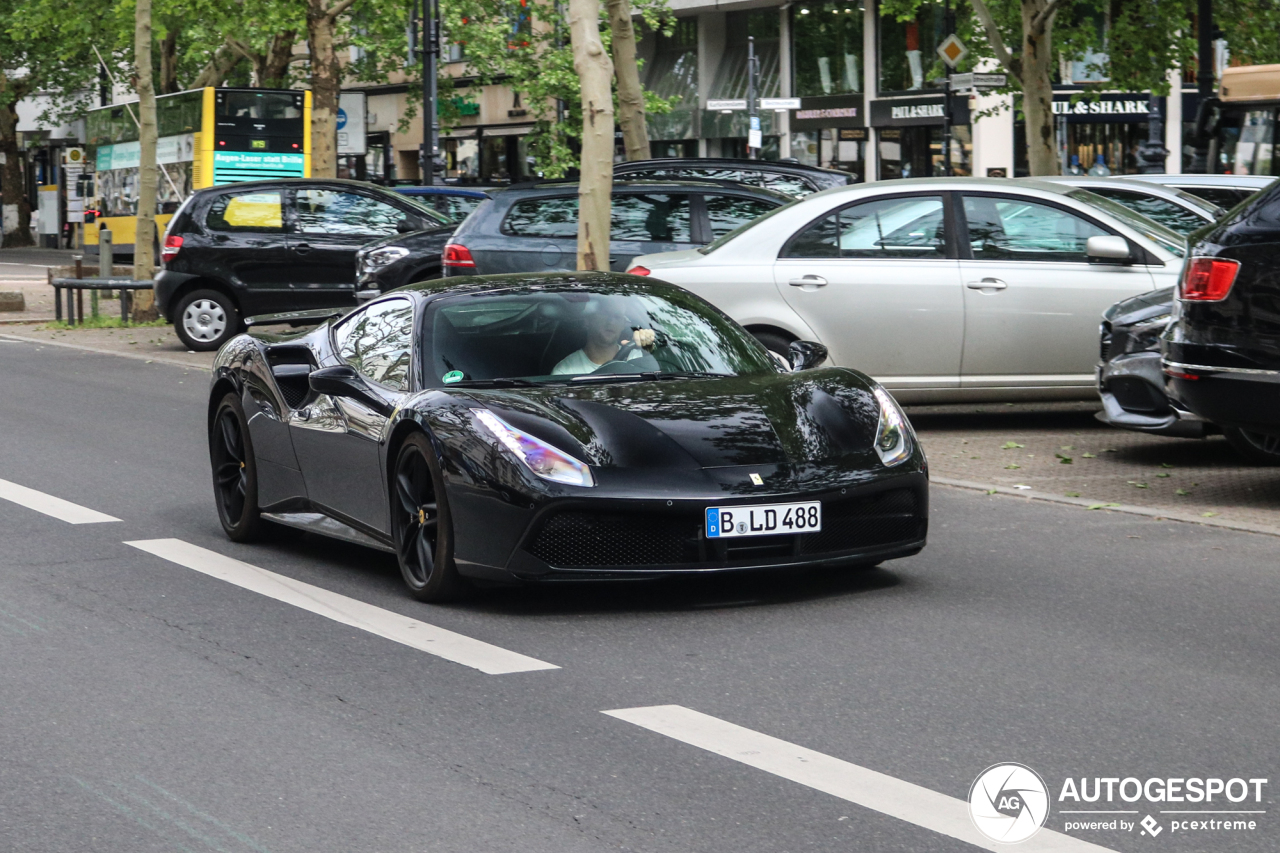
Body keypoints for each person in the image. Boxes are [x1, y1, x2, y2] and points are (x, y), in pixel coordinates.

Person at [552, 295, 656, 375]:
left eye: (617, 317)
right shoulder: (565, 371)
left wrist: (651, 348)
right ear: (587, 321)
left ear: (623, 325)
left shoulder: (636, 358)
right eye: (605, 314)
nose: (611, 322)